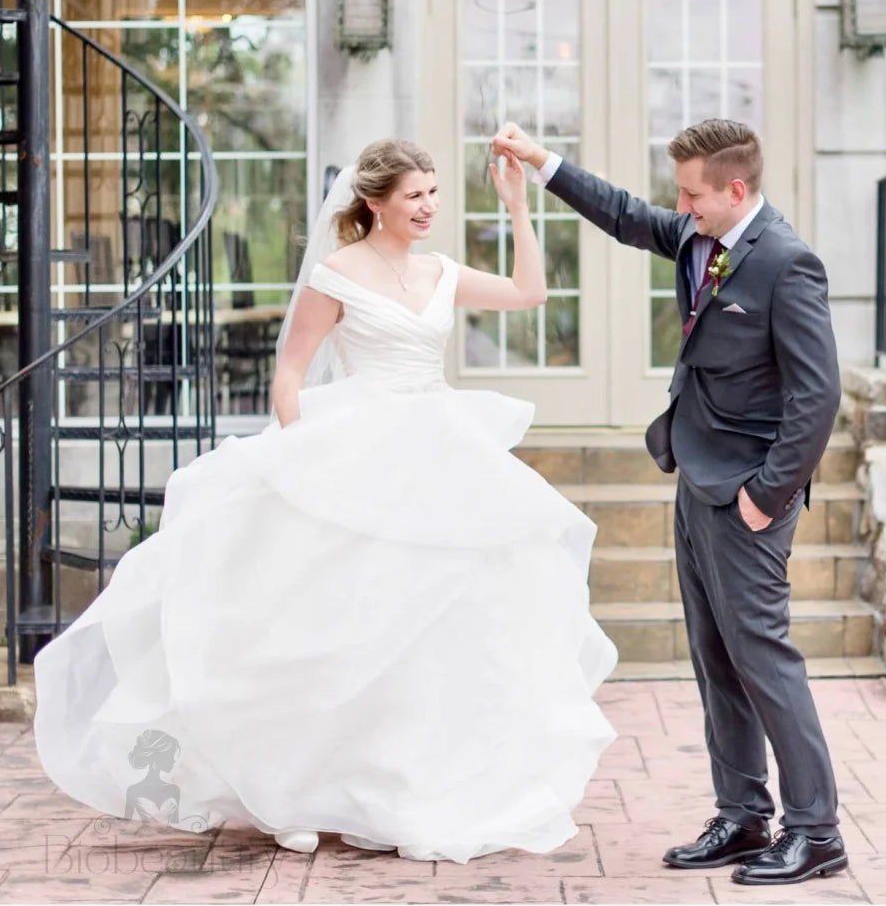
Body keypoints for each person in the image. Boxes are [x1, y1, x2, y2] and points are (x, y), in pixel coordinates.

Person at [32, 138, 617, 865]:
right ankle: (297, 793)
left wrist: (519, 209)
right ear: (374, 201)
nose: (428, 206)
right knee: (334, 623)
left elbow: (528, 293)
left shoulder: (439, 271)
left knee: (436, 622)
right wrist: (298, 451)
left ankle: (412, 786)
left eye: (433, 192)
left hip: (435, 450)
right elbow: (292, 368)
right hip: (356, 444)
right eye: (414, 195)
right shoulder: (337, 273)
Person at [492, 119, 848, 887]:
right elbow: (623, 215)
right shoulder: (697, 235)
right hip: (695, 475)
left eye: (691, 193)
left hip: (748, 491)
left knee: (763, 658)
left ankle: (815, 832)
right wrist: (539, 161)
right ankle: (742, 817)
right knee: (715, 658)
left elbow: (818, 397)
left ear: (735, 190)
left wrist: (765, 494)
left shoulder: (787, 265)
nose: (679, 206)